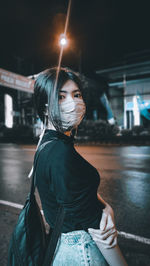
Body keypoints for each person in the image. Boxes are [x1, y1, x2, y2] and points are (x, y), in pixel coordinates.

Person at [33, 67, 127, 265]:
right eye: (60, 97)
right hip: (83, 252)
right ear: (44, 107)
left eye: (76, 95)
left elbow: (74, 193)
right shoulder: (60, 153)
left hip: (62, 246)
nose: (72, 103)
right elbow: (101, 232)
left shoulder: (47, 144)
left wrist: (106, 207)